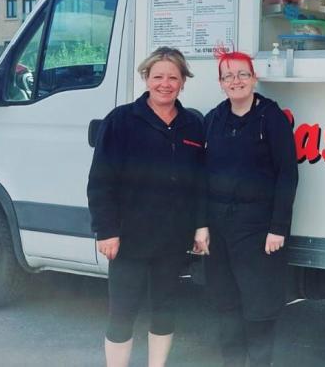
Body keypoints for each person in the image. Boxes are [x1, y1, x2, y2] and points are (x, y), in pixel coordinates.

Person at [87, 47, 208, 367]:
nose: (165, 84)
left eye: (173, 77)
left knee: (165, 309)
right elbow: (100, 180)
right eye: (158, 77)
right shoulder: (121, 121)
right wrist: (106, 230)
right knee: (122, 312)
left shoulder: (194, 124)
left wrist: (200, 225)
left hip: (172, 240)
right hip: (129, 239)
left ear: (183, 82)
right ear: (145, 78)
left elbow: (200, 183)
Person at [203, 46, 298, 366]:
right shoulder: (213, 119)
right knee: (224, 303)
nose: (236, 80)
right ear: (221, 83)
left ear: (254, 78)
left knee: (259, 307)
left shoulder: (271, 117)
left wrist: (278, 228)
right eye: (228, 76)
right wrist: (200, 225)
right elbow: (200, 174)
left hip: (259, 229)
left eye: (242, 74)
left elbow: (288, 174)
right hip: (218, 227)